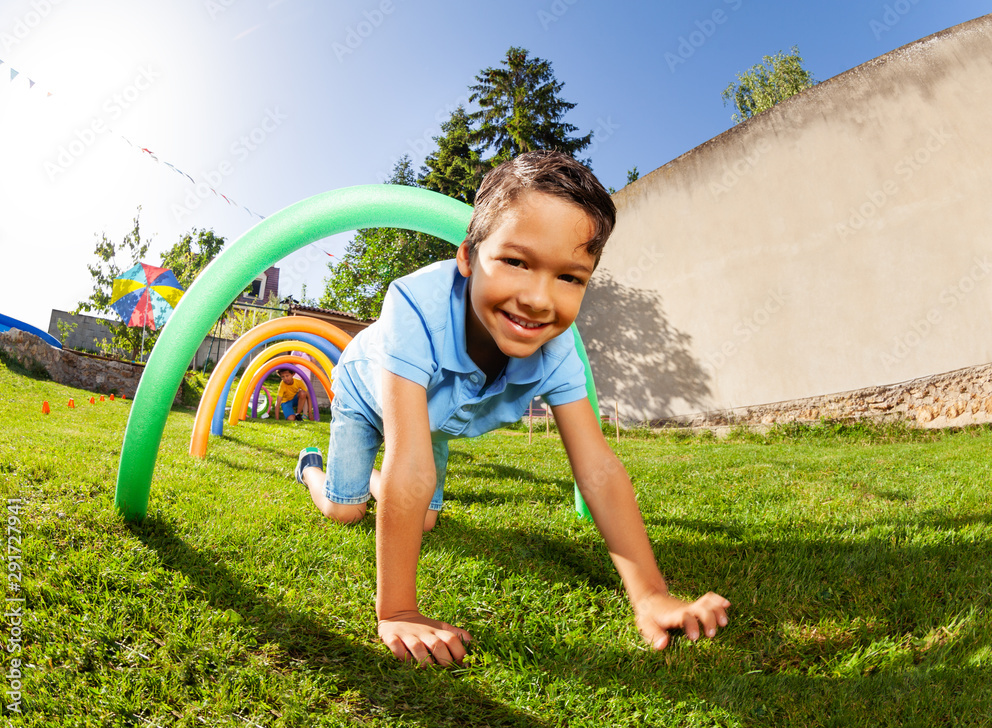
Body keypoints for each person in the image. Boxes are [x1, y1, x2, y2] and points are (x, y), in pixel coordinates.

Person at [294, 150, 730, 666]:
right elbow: (411, 462)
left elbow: (598, 469)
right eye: (516, 262)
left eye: (570, 277)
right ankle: (311, 470)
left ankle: (380, 481)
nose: (539, 299)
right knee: (348, 511)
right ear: (467, 257)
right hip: (370, 396)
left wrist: (650, 593)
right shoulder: (415, 305)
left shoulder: (557, 348)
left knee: (423, 521)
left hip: (434, 418)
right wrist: (398, 610)